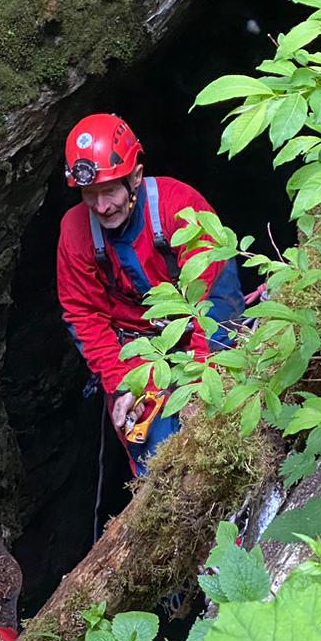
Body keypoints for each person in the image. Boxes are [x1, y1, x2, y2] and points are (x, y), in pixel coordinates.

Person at [56, 113, 244, 473]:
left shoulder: (178, 206)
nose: (101, 206)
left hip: (201, 329)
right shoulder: (76, 231)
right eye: (89, 195)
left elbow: (213, 296)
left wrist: (201, 381)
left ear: (136, 177)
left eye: (109, 190)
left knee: (215, 425)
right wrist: (123, 384)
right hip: (137, 349)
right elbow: (84, 316)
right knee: (152, 450)